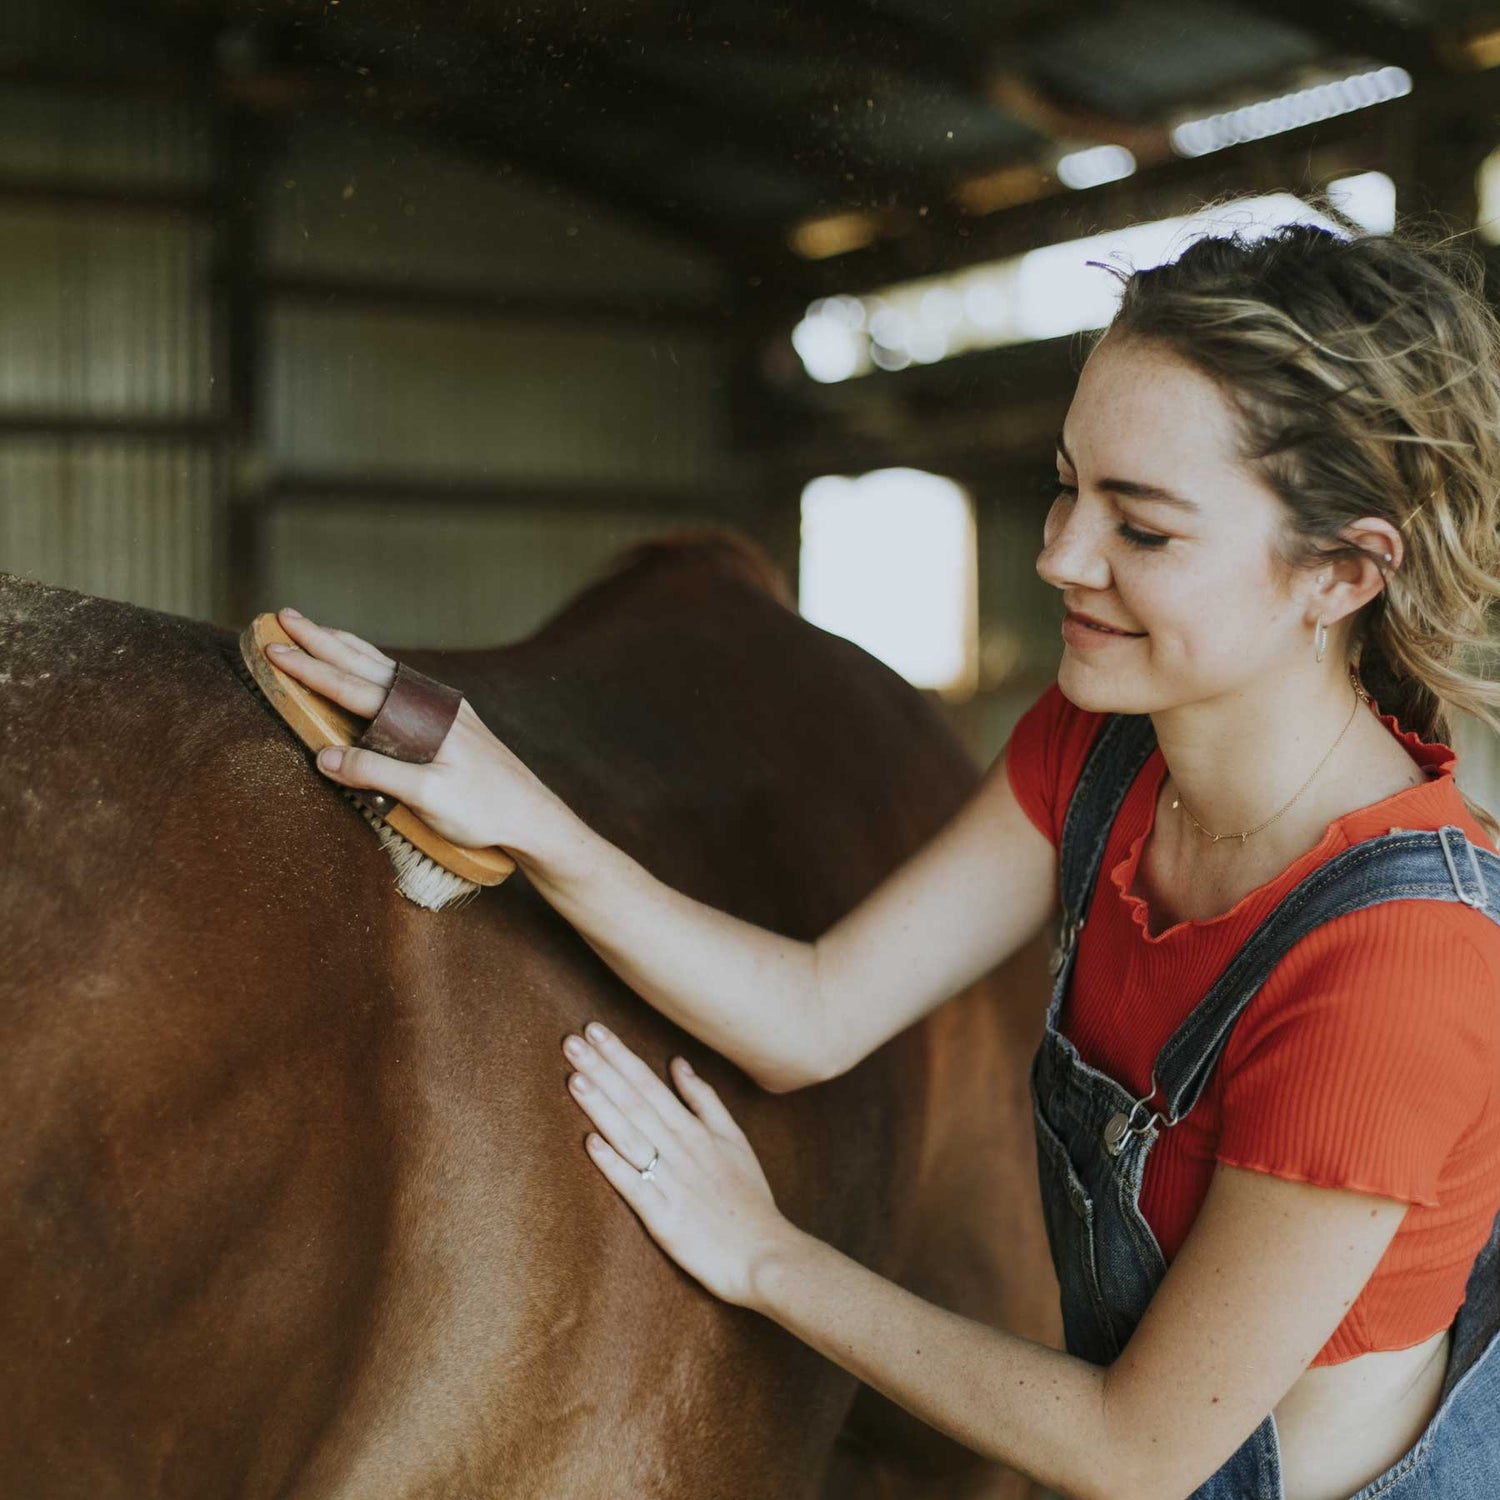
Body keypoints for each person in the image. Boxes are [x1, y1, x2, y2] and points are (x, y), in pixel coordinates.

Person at [259, 218, 1500, 1500]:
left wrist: (762, 1256)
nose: (1061, 555)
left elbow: (1134, 1448)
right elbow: (812, 1012)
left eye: (1146, 529)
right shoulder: (1106, 751)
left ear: (1344, 573)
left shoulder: (1397, 965)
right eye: (1068, 484)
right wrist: (526, 813)